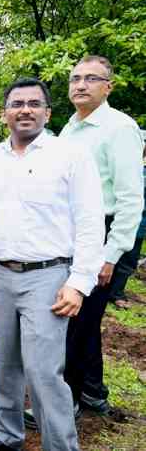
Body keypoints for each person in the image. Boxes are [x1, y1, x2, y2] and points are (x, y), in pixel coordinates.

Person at [0, 78, 104, 451]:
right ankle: (7, 434)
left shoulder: (70, 155)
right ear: (4, 114)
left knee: (43, 371)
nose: (24, 109)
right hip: (1, 274)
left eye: (33, 103)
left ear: (47, 111)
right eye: (16, 103)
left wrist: (78, 282)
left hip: (49, 275)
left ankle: (60, 446)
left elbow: (91, 220)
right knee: (4, 363)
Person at [59, 55, 143, 417]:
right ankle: (94, 392)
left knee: (77, 322)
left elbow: (129, 198)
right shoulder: (70, 128)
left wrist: (111, 254)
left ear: (107, 87)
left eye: (91, 79)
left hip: (103, 235)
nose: (81, 84)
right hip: (71, 232)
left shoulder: (119, 128)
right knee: (86, 318)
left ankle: (68, 401)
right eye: (75, 78)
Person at [107, 142, 146, 309]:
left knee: (128, 260)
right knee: (109, 258)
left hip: (139, 223)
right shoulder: (134, 167)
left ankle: (117, 293)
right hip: (118, 220)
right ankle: (102, 290)